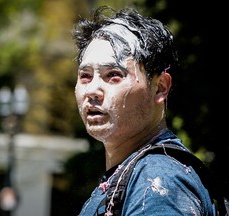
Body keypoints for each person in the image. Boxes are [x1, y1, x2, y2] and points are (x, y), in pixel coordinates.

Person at [72, 6, 216, 216]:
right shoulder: (133, 175)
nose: (92, 90)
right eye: (85, 76)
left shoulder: (159, 181)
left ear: (159, 88)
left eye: (113, 75)